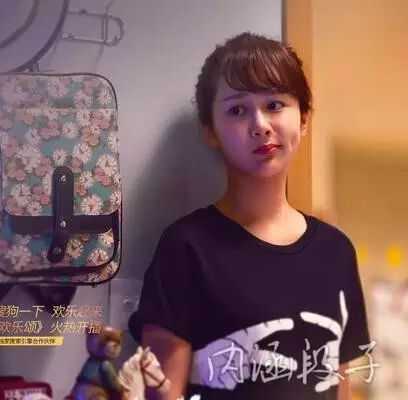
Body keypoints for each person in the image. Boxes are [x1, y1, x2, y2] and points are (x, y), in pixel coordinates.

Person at [128, 32, 370, 399]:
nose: (260, 125)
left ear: (303, 118)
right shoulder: (186, 248)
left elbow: (340, 386)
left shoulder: (336, 252)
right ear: (211, 131)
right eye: (237, 110)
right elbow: (161, 393)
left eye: (274, 104)